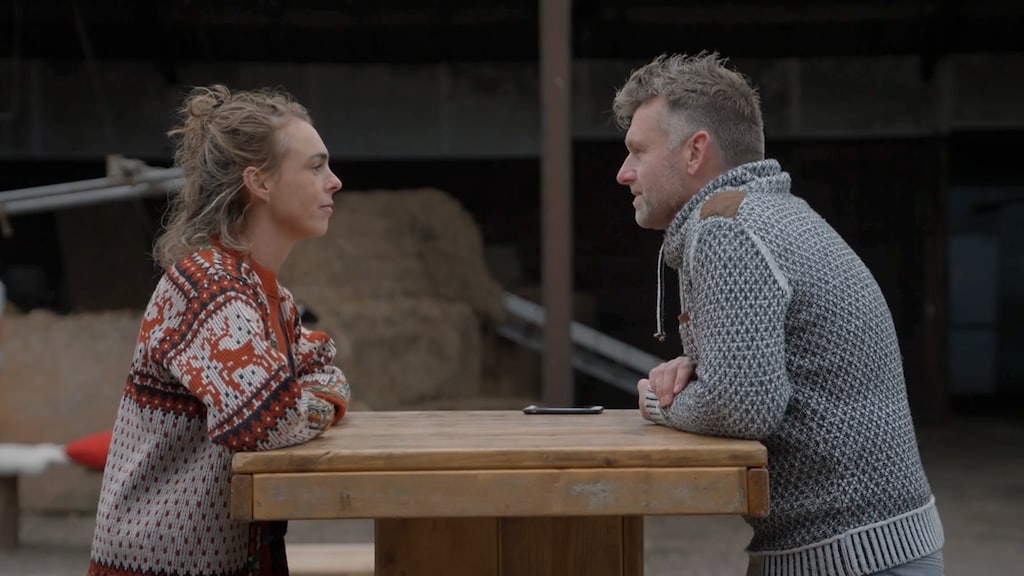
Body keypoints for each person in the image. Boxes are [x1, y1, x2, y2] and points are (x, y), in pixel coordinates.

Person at [612, 53, 944, 576]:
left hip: (849, 558)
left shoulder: (728, 229)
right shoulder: (767, 213)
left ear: (696, 151)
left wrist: (657, 400)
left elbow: (743, 406)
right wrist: (699, 375)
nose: (622, 172)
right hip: (869, 547)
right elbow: (745, 388)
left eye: (637, 151)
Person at [87, 84, 351, 576]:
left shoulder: (264, 293)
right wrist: (319, 399)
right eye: (315, 167)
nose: (334, 181)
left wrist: (312, 391)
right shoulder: (209, 286)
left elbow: (322, 368)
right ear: (260, 182)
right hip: (163, 568)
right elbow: (264, 421)